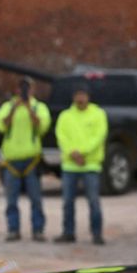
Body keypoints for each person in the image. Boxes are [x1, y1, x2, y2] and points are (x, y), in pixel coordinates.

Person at [0, 76, 51, 241]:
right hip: (11, 161)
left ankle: (38, 229)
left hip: (31, 160)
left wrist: (28, 108)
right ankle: (13, 229)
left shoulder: (38, 107)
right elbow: (1, 126)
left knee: (36, 199)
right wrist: (14, 109)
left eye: (27, 88)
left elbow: (42, 127)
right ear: (16, 90)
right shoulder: (8, 106)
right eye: (21, 88)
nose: (23, 91)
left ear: (32, 90)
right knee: (11, 199)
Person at [54, 83, 108, 245]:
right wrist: (73, 153)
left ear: (88, 96)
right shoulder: (65, 116)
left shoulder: (98, 114)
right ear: (73, 97)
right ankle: (68, 232)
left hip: (90, 165)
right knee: (68, 202)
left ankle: (97, 233)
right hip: (70, 165)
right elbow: (61, 136)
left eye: (82, 94)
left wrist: (82, 152)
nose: (80, 98)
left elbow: (99, 136)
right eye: (77, 94)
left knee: (93, 201)